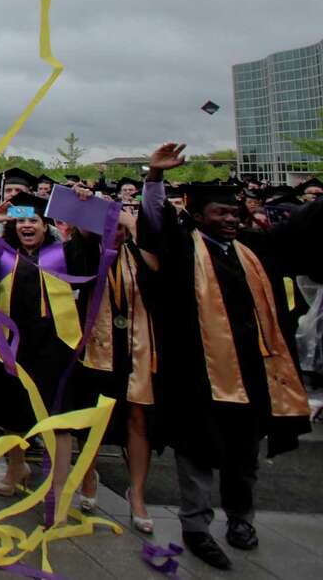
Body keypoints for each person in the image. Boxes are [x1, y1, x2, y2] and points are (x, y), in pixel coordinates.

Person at [139, 143, 317, 570]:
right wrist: (154, 177)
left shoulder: (255, 251)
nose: (231, 219)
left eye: (234, 213)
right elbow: (152, 222)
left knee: (244, 455)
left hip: (254, 371)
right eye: (220, 213)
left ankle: (241, 520)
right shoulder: (182, 248)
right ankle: (196, 526)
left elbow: (301, 233)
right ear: (198, 216)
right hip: (197, 374)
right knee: (195, 451)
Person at [0, 191, 88, 508]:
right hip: (11, 344)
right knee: (13, 414)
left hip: (54, 346)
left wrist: (80, 209)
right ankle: (17, 468)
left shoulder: (62, 254)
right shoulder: (1, 256)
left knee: (58, 417)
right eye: (21, 221)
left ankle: (58, 486)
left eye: (34, 220)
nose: (27, 226)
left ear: (46, 226)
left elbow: (89, 245)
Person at [70, 205, 159, 532]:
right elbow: (75, 265)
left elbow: (160, 283)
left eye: (119, 228)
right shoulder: (88, 256)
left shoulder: (142, 258)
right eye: (107, 228)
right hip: (95, 346)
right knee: (93, 416)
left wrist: (134, 226)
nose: (115, 234)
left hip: (137, 347)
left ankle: (136, 494)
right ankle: (89, 476)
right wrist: (83, 225)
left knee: (138, 417)